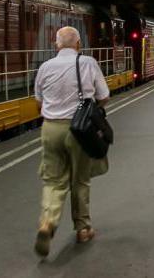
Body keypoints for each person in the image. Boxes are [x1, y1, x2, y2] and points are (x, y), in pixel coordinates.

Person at [33, 26, 110, 257]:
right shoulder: (87, 62)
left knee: (53, 181)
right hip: (80, 130)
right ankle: (83, 228)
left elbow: (38, 102)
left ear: (57, 45)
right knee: (80, 180)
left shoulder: (45, 67)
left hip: (50, 128)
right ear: (78, 44)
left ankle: (47, 222)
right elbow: (104, 97)